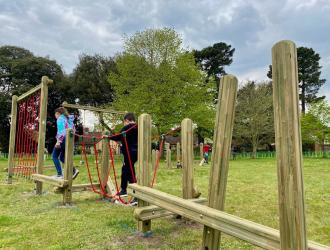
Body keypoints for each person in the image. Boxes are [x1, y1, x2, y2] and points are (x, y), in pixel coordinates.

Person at [110, 113, 138, 198]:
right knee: (128, 169)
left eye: (124, 122)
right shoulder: (138, 127)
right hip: (136, 152)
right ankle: (125, 189)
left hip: (129, 152)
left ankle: (131, 190)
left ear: (126, 120)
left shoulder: (127, 127)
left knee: (127, 171)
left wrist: (108, 137)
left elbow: (118, 137)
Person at [52, 107, 79, 179]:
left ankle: (59, 174)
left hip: (63, 139)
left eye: (55, 114)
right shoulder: (69, 120)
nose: (55, 116)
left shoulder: (60, 119)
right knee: (62, 157)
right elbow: (74, 131)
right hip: (69, 140)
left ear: (58, 113)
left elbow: (61, 131)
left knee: (54, 156)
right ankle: (74, 170)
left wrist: (58, 141)